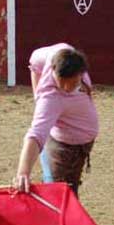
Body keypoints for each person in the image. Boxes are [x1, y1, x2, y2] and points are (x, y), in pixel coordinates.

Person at [14, 43, 99, 196]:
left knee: (61, 189)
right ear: (53, 70)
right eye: (62, 82)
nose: (66, 88)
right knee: (62, 195)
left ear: (82, 73)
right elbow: (35, 135)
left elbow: (34, 61)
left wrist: (37, 99)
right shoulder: (50, 98)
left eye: (73, 83)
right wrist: (23, 172)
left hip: (77, 143)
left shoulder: (64, 53)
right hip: (65, 146)